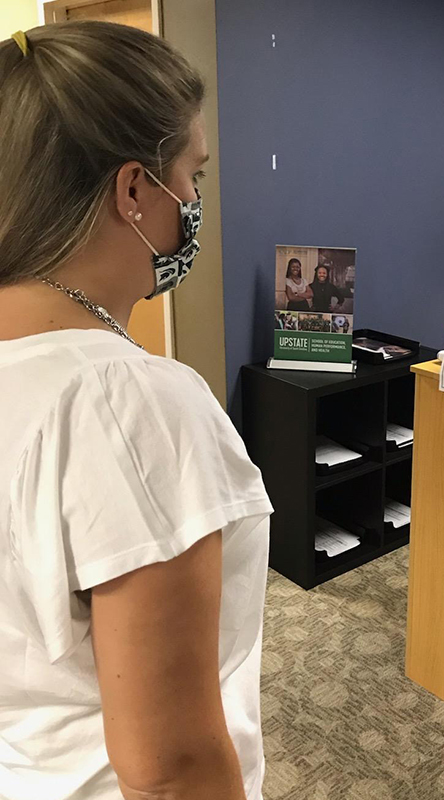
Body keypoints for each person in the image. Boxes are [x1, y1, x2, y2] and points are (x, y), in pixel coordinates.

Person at [0, 22, 273, 800]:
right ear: (133, 191)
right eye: (193, 174)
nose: (193, 201)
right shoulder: (129, 405)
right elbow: (169, 769)